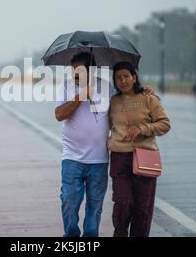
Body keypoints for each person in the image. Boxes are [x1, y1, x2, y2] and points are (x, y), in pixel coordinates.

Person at [54, 53, 153, 237]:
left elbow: (127, 97)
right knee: (69, 201)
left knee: (95, 208)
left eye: (79, 70)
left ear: (91, 71)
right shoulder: (66, 86)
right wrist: (80, 96)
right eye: (73, 70)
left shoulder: (106, 87)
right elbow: (59, 114)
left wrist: (142, 90)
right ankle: (71, 237)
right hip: (72, 158)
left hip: (99, 160)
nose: (75, 74)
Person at [107, 61, 171, 237]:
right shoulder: (112, 101)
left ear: (134, 77)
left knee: (143, 208)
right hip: (120, 158)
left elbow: (165, 124)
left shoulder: (149, 98)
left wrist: (143, 129)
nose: (123, 81)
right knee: (122, 202)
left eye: (126, 76)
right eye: (118, 78)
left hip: (145, 157)